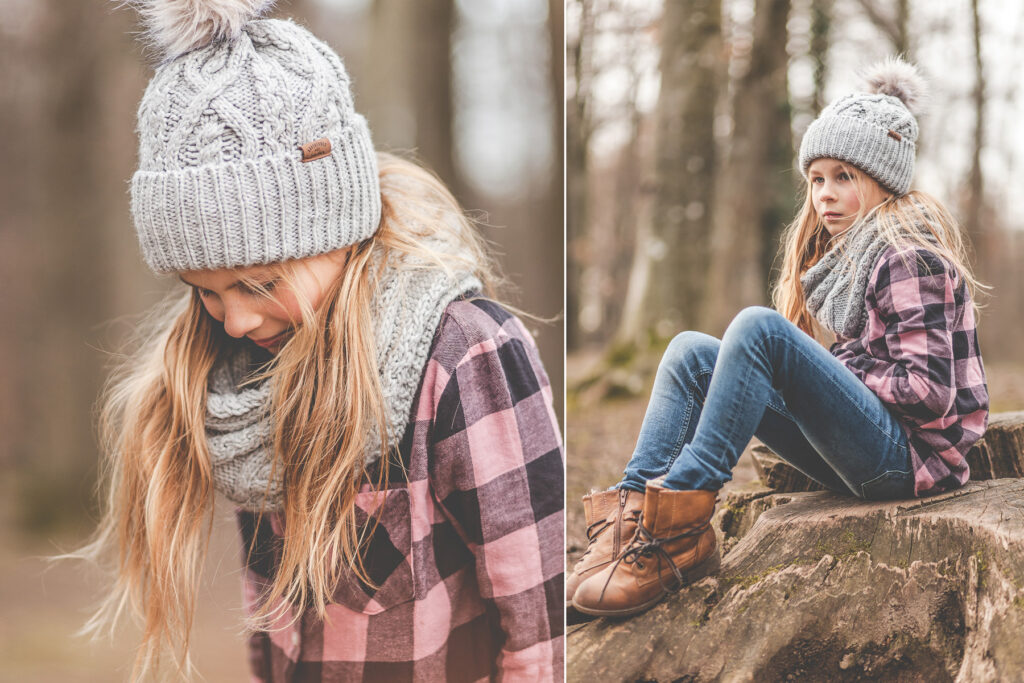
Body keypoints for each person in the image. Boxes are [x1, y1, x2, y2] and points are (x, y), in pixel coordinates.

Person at [74, 1, 564, 680]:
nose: (234, 321)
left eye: (256, 284)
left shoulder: (462, 357)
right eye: (206, 292)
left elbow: (539, 624)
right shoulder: (244, 378)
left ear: (336, 229)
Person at [568, 56, 989, 618]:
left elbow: (929, 390)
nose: (824, 195)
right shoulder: (856, 256)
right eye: (816, 179)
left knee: (759, 328)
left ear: (883, 181)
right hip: (871, 450)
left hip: (909, 463)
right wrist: (832, 370)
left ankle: (680, 528)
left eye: (844, 177)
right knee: (692, 352)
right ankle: (629, 521)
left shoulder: (908, 256)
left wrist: (831, 368)